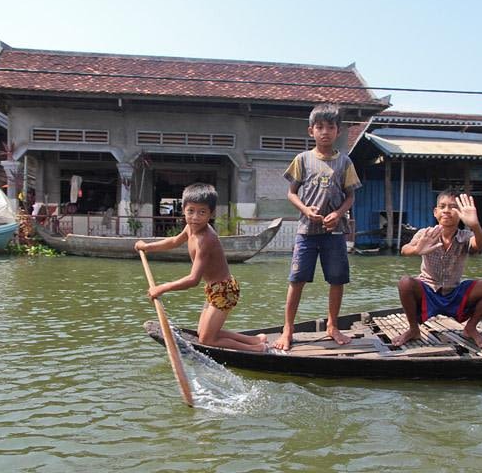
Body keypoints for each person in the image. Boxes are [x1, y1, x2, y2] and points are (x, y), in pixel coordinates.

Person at [134, 183, 267, 352]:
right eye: (191, 211)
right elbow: (174, 241)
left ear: (210, 214)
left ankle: (257, 349)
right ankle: (254, 340)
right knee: (202, 333)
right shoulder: (190, 228)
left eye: (202, 212)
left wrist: (161, 288)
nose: (195, 217)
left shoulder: (206, 239)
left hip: (225, 291)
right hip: (213, 288)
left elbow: (193, 280)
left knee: (207, 339)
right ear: (183, 210)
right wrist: (147, 246)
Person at [273, 103, 362, 351]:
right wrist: (305, 210)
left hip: (334, 232)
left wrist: (338, 213)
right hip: (306, 232)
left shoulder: (345, 162)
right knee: (297, 279)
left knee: (337, 280)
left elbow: (351, 196)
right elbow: (291, 193)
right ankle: (288, 328)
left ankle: (332, 326)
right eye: (320, 127)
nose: (325, 132)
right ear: (310, 130)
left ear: (338, 131)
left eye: (330, 127)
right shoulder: (302, 160)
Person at [392, 189, 482, 348]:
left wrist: (475, 226)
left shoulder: (465, 236)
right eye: (442, 206)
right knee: (405, 283)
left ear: (461, 213)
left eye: (453, 207)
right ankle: (413, 329)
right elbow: (405, 249)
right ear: (435, 212)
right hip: (428, 290)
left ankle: (471, 328)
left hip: (455, 291)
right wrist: (417, 250)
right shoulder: (426, 233)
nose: (447, 210)